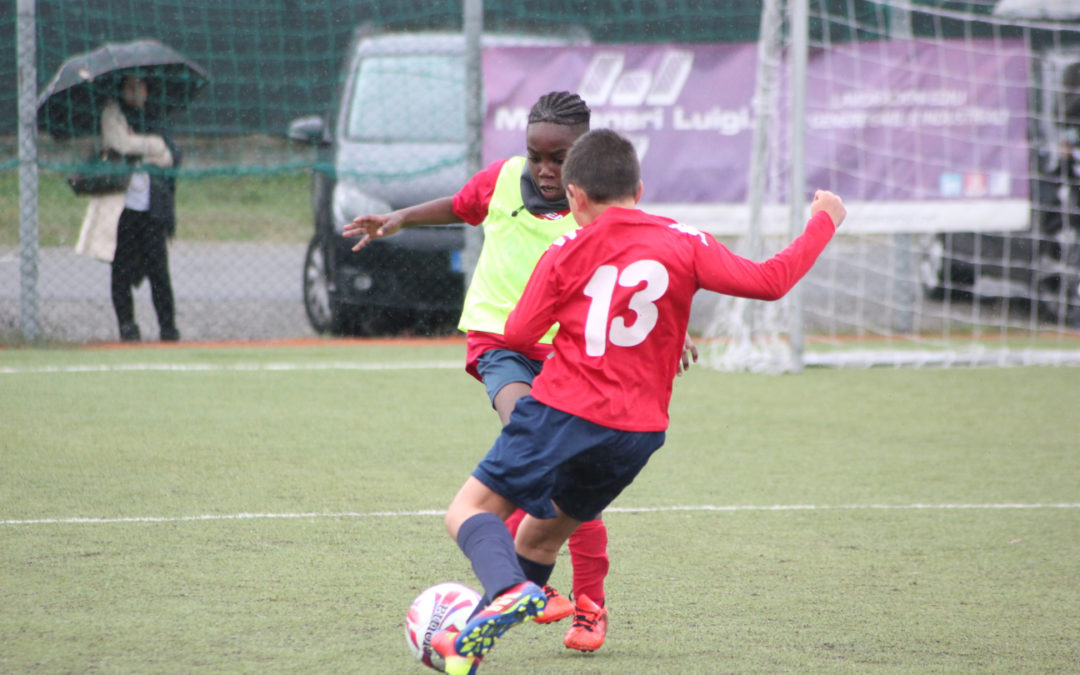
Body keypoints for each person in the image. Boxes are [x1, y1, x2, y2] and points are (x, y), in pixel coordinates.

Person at [426, 128, 846, 674]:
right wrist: (825, 219)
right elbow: (770, 281)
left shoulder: (564, 250)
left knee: (467, 511)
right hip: (637, 433)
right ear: (639, 189)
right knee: (541, 537)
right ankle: (466, 652)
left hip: (562, 411)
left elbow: (519, 335)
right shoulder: (684, 241)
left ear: (574, 196)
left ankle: (505, 586)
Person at [345, 92, 630, 652]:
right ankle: (530, 587)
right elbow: (460, 203)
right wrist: (400, 217)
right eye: (535, 155)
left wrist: (674, 328)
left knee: (570, 477)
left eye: (559, 158)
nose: (545, 169)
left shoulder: (598, 207)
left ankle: (588, 607)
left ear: (584, 156)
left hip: (571, 355)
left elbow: (643, 265)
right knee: (530, 435)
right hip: (502, 344)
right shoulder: (501, 181)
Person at [78, 74, 181, 342]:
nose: (136, 92)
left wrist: (146, 146)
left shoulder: (156, 117)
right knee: (121, 268)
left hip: (152, 208)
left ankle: (168, 330)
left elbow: (169, 157)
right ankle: (127, 327)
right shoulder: (112, 113)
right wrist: (152, 146)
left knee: (159, 271)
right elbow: (119, 143)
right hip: (121, 208)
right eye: (130, 86)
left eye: (141, 85)